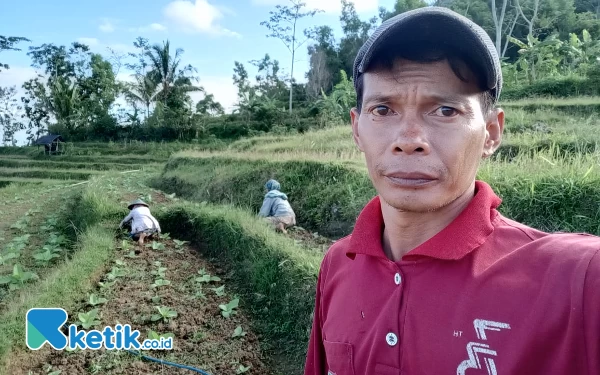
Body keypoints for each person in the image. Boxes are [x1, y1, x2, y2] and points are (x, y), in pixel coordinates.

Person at [304, 7, 599, 375]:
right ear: (357, 129)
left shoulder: (577, 279)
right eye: (383, 109)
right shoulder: (337, 263)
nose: (409, 141)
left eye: (445, 110)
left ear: (491, 132)